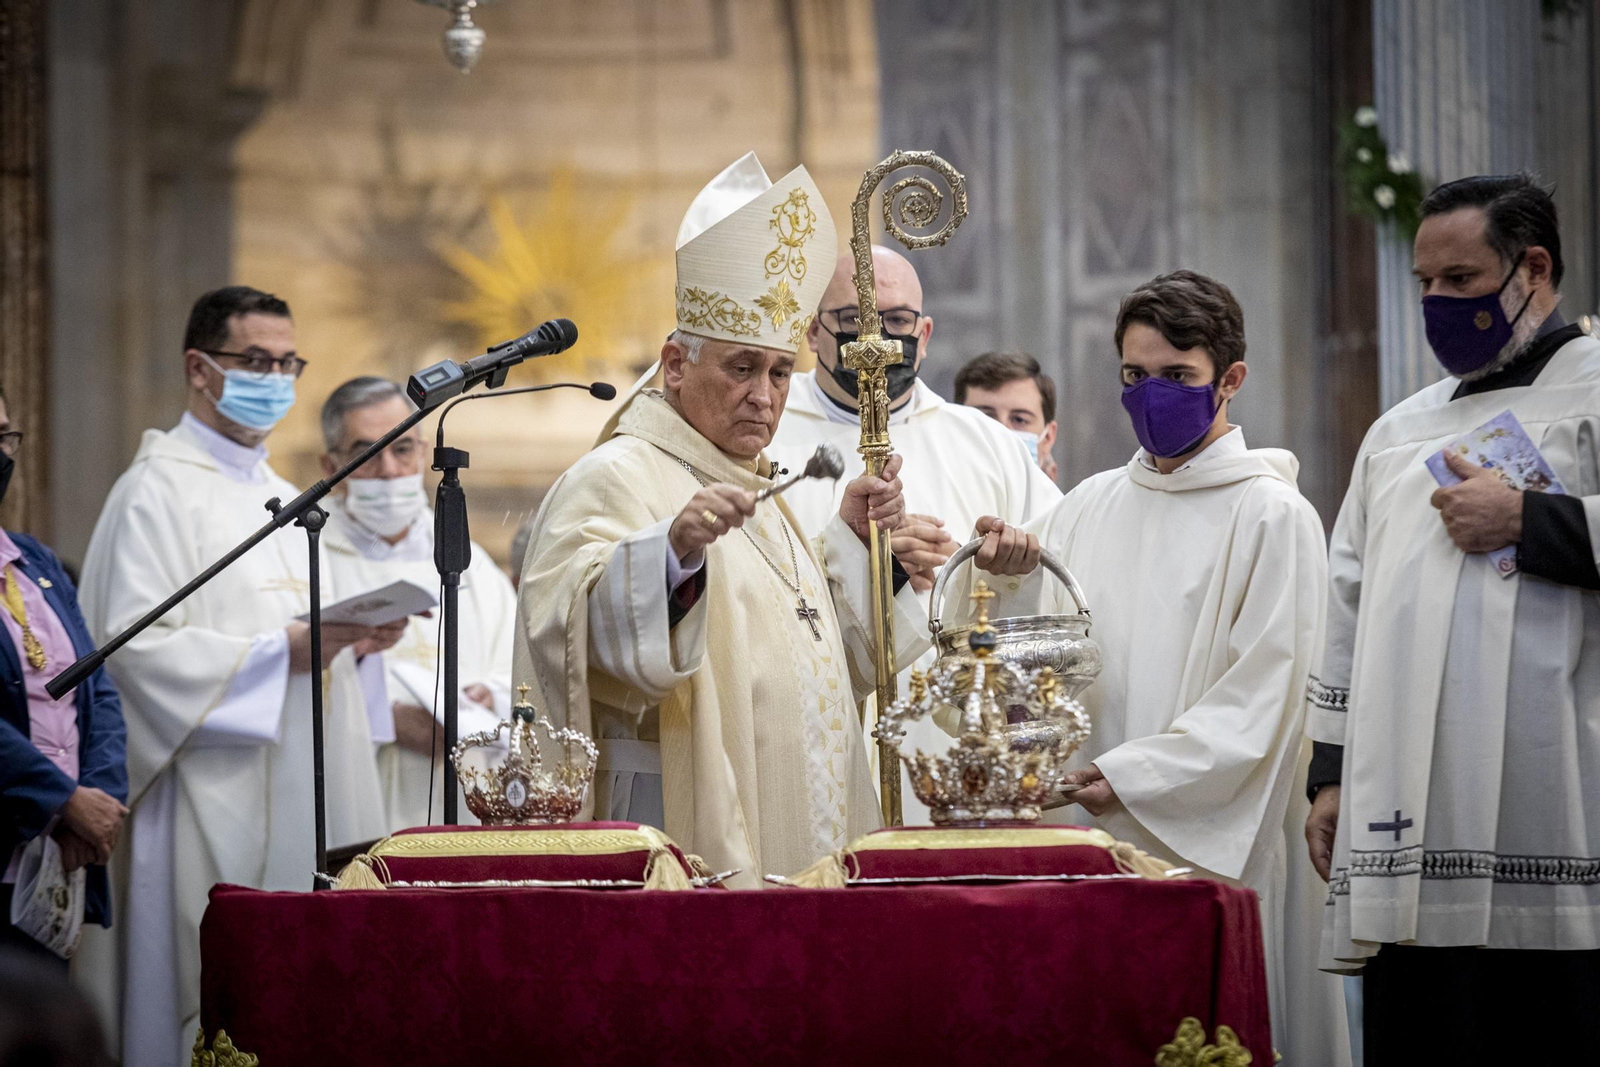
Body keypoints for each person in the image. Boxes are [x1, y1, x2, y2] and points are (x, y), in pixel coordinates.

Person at [963, 271, 1349, 1065]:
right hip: (1087, 838)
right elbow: (1015, 637)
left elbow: (1267, 697)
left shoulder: (1273, 515)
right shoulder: (1087, 505)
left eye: (1178, 377)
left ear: (1231, 380)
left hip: (1213, 841)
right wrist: (1000, 568)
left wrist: (1134, 774)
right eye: (1135, 377)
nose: (1150, 396)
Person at [516, 153, 926, 887]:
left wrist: (857, 546)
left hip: (810, 835)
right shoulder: (618, 475)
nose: (765, 397)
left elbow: (822, 658)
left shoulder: (757, 487)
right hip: (679, 830)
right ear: (675, 363)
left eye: (777, 372)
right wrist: (667, 558)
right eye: (740, 369)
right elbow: (563, 629)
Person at [1304, 174, 1600, 1062]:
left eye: (1461, 282)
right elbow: (1348, 605)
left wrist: (1535, 522)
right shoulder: (1397, 431)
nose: (1437, 303)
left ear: (1532, 268)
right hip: (1411, 812)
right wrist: (1330, 770)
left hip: (1560, 795)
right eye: (1424, 284)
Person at [74, 287, 404, 1067]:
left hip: (296, 797)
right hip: (197, 805)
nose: (277, 378)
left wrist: (352, 644)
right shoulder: (154, 490)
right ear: (199, 367)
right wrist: (279, 652)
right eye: (256, 360)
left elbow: (306, 643)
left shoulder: (287, 501)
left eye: (288, 362)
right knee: (201, 1008)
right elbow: (126, 653)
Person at [768, 250, 1060, 821]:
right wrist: (870, 567)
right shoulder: (765, 435)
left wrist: (986, 570)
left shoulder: (987, 445)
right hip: (806, 756)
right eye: (855, 321)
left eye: (897, 323)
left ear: (924, 334)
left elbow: (1056, 591)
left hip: (954, 762)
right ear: (810, 329)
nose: (878, 341)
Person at [320, 376, 517, 831]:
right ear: (331, 465)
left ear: (426, 453)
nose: (389, 469)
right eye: (367, 452)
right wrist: (382, 720)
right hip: (355, 797)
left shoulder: (465, 556)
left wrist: (490, 697)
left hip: (465, 795)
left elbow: (520, 664)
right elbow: (287, 673)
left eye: (402, 449)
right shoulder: (309, 553)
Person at [0, 387, 127, 967]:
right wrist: (63, 798)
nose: (2, 454)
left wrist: (96, 806)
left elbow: (96, 688)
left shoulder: (37, 562)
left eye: (4, 437)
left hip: (56, 858)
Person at [954, 351, 1059, 480]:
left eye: (1019, 419)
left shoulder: (1072, 500)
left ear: (1048, 437)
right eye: (985, 417)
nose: (1002, 430)